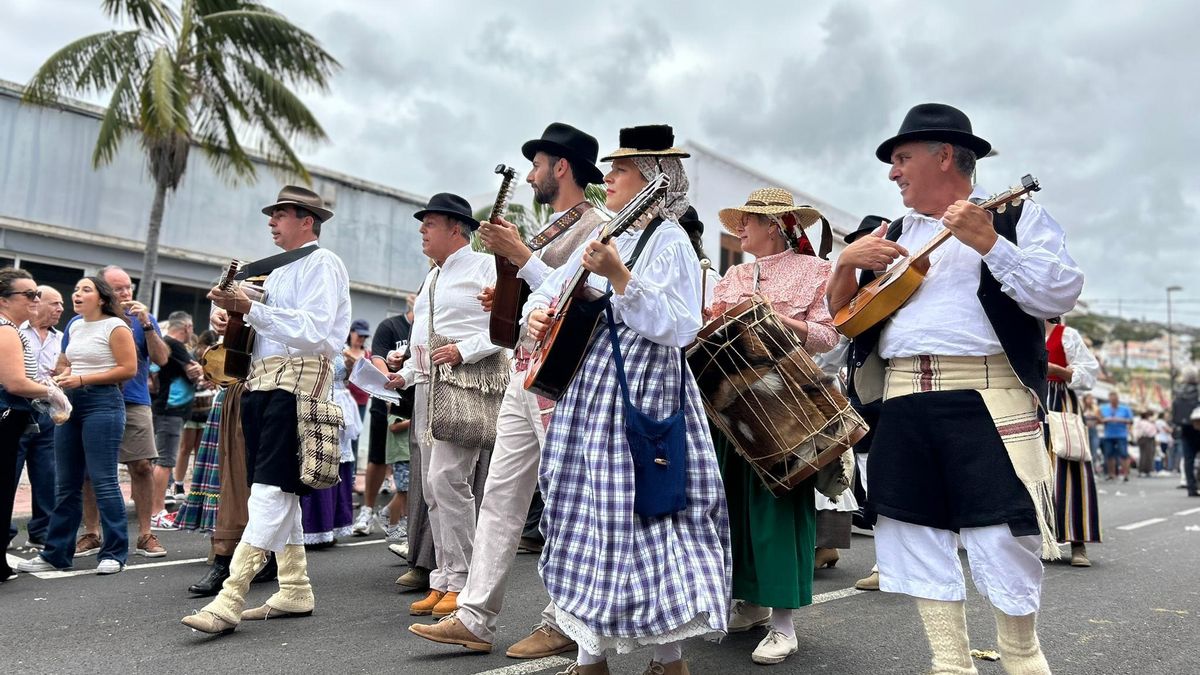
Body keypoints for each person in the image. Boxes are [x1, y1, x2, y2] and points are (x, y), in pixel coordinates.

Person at [826, 103, 1084, 674]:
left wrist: (991, 243)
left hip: (986, 399)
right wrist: (845, 264)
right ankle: (949, 665)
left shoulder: (1016, 218)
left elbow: (1058, 295)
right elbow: (844, 321)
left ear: (945, 156)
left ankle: (1022, 660)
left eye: (901, 159)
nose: (893, 173)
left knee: (1001, 537)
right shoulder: (887, 235)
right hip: (900, 400)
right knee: (913, 533)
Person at [523, 125, 730, 675]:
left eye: (620, 169)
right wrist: (536, 314)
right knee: (591, 513)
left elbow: (681, 325)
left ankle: (668, 659)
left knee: (647, 514)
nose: (608, 177)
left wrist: (621, 279)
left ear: (653, 178)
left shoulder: (670, 240)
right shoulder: (613, 232)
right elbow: (550, 290)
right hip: (592, 393)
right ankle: (591, 656)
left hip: (644, 392)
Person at [409, 122, 608, 657]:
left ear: (560, 168)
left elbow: (586, 296)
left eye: (538, 164)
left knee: (566, 500)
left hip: (562, 380)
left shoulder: (599, 225)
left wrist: (522, 258)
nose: (531, 175)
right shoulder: (548, 231)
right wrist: (507, 298)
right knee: (499, 495)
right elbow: (537, 301)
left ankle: (564, 617)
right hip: (525, 373)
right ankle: (475, 617)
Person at [181, 185, 350, 634]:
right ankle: (294, 588)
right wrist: (232, 316)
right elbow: (270, 325)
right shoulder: (274, 274)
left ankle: (231, 596)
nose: (272, 221)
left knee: (270, 490)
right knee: (279, 490)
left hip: (297, 384)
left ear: (307, 220)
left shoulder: (323, 263)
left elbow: (315, 332)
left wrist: (249, 310)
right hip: (263, 383)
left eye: (281, 214)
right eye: (272, 214)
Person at [707, 188, 839, 665]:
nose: (739, 227)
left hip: (788, 405)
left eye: (749, 220)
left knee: (779, 508)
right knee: (733, 504)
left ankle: (784, 625)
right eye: (739, 219)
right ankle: (750, 603)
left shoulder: (816, 271)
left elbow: (828, 336)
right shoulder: (732, 275)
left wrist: (775, 319)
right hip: (731, 406)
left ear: (777, 224)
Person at [383, 192, 503, 620]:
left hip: (466, 384)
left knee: (448, 479)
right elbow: (424, 341)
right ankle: (446, 579)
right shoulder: (432, 276)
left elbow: (508, 326)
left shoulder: (486, 266)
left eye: (429, 223)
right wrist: (405, 371)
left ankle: (467, 578)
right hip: (428, 386)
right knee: (433, 488)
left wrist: (463, 350)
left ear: (457, 229)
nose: (422, 230)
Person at [17, 276, 137, 575]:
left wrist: (82, 378)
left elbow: (128, 369)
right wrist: (60, 375)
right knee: (66, 482)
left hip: (103, 404)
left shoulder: (116, 326)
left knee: (103, 479)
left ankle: (114, 552)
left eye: (86, 290)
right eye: (76, 290)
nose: (77, 294)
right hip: (70, 402)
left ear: (102, 298)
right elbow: (66, 361)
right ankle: (56, 553)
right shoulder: (74, 325)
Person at [75, 265, 170, 559]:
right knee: (90, 470)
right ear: (103, 292)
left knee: (141, 465)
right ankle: (92, 532)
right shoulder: (84, 321)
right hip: (93, 399)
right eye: (118, 288)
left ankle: (145, 533)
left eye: (128, 286)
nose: (126, 293)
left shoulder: (142, 319)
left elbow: (162, 359)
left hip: (134, 399)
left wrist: (147, 325)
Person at [1, 271, 67, 581]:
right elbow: (15, 383)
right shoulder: (8, 331)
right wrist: (52, 392)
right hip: (8, 413)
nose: (36, 300)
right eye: (29, 295)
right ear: (4, 300)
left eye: (36, 294)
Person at [11, 285, 64, 551]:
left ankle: (41, 530)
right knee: (9, 470)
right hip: (16, 407)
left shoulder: (62, 338)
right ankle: (6, 531)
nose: (60, 309)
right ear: (38, 304)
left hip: (48, 411)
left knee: (47, 473)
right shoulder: (14, 331)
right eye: (55, 303)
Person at [1044, 318, 1101, 567]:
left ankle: (1078, 543)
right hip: (1026, 400)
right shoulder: (1018, 330)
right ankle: (1033, 540)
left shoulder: (1067, 335)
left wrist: (1058, 371)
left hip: (1059, 403)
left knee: (1069, 467)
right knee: (1025, 470)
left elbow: (1089, 374)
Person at [149, 311, 202, 527]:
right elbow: (194, 371)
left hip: (164, 407)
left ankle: (153, 510)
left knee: (159, 460)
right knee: (165, 461)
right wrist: (199, 371)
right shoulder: (175, 344)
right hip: (171, 409)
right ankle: (157, 511)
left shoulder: (161, 343)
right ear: (187, 327)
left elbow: (152, 374)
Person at [299, 357, 359, 546]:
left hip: (340, 403)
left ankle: (331, 526)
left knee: (339, 462)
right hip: (319, 402)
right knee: (319, 459)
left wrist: (352, 367)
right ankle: (314, 528)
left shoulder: (341, 347)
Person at [174, 329, 219, 502]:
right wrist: (200, 376)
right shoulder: (190, 357)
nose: (209, 351)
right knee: (185, 447)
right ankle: (178, 484)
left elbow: (217, 381)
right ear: (201, 345)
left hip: (206, 407)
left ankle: (196, 486)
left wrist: (212, 382)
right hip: (190, 407)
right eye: (207, 347)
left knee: (200, 450)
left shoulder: (215, 358)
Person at [1171, 368, 1200, 497]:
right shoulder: (1198, 391)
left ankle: (1191, 488)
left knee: (1188, 460)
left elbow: (1174, 411)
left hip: (1185, 429)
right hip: (1198, 425)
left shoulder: (1178, 392)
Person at [1100, 391, 1134, 482]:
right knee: (1109, 455)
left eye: (1115, 399)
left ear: (1118, 400)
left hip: (1121, 434)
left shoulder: (1125, 408)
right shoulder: (1103, 408)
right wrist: (1105, 420)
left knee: (1124, 454)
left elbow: (1131, 421)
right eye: (1111, 399)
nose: (1113, 401)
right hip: (1108, 435)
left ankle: (1126, 474)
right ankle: (1111, 474)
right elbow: (1099, 419)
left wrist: (1120, 420)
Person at [1135, 411, 1158, 477]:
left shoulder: (1139, 422)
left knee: (1143, 454)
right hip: (1147, 438)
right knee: (1148, 455)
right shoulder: (1146, 423)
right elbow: (1150, 432)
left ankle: (1142, 470)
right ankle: (1147, 470)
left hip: (1141, 439)